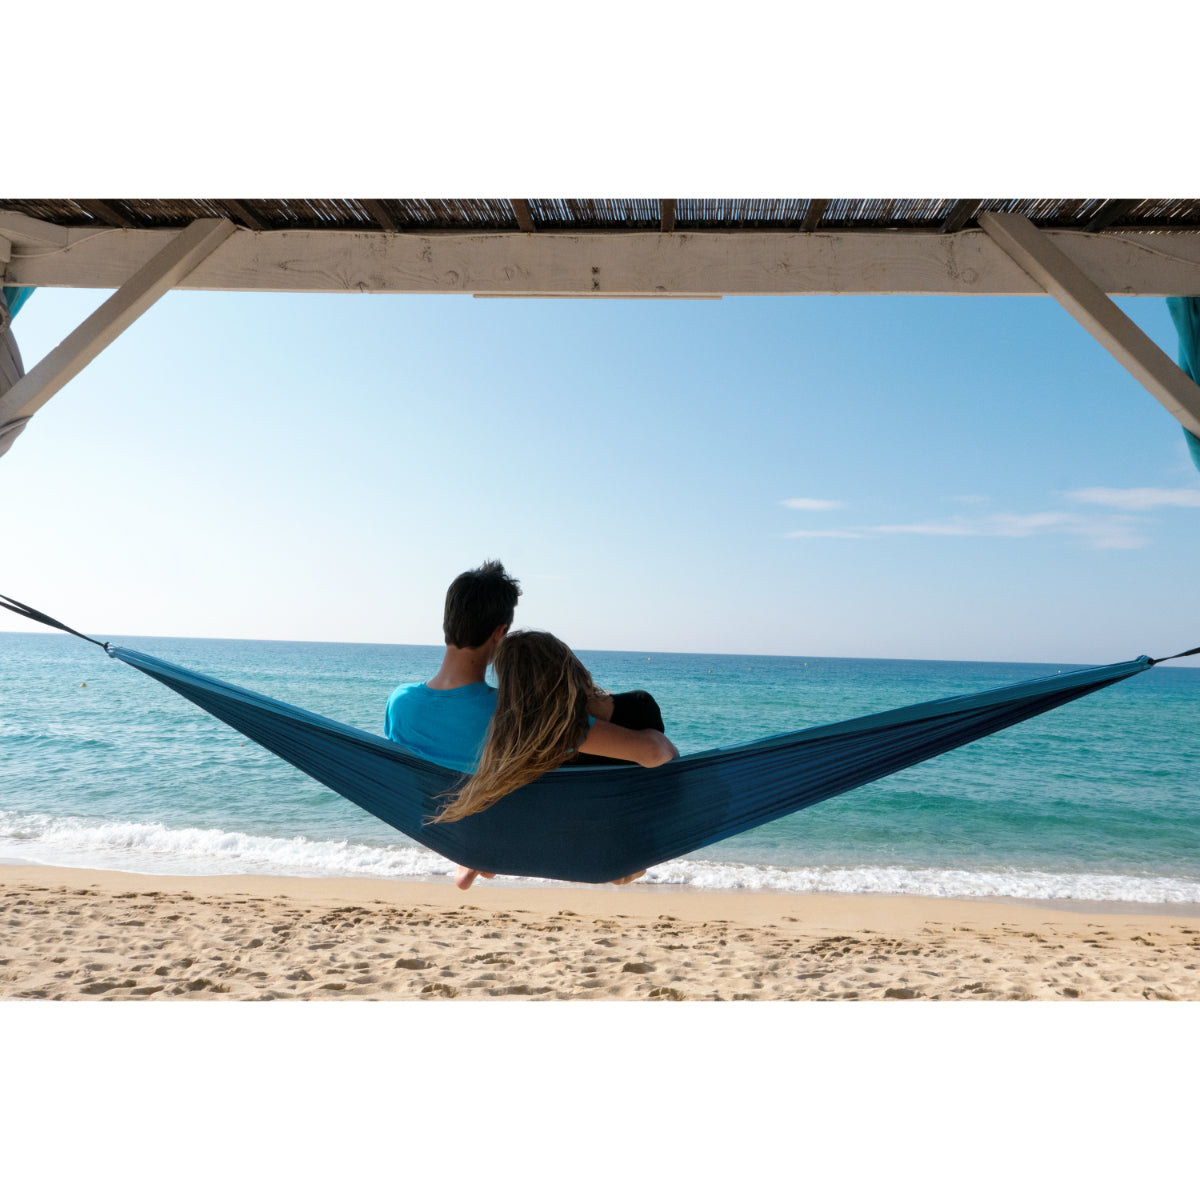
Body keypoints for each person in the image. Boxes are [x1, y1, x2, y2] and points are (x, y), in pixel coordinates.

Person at [385, 561, 675, 888]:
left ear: (447, 623)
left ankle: (468, 859)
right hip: (514, 834)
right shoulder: (521, 716)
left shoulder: (400, 704)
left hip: (460, 833)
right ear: (499, 633)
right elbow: (653, 754)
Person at [431, 630, 678, 887]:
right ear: (571, 667)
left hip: (548, 839)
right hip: (611, 846)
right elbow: (663, 763)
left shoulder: (520, 734)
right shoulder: (639, 706)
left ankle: (474, 857)